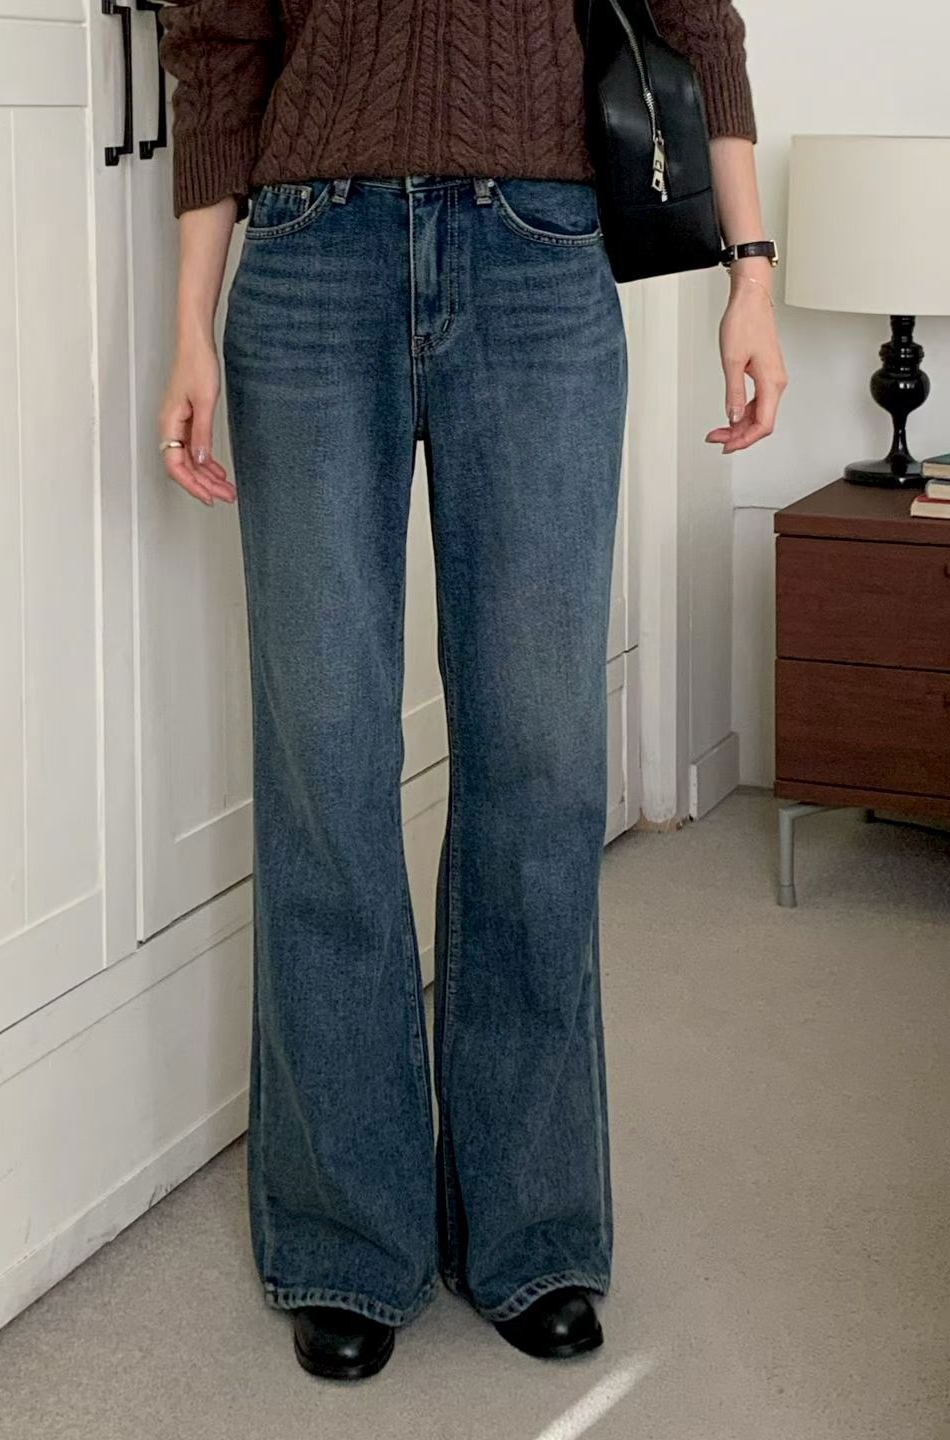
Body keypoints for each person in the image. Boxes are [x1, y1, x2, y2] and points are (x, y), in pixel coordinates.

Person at [157, 0, 785, 1383]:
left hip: (539, 255)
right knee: (324, 761)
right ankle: (347, 1237)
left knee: (541, 762)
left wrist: (751, 271)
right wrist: (190, 321)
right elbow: (218, 45)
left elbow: (699, 20)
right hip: (311, 260)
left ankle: (532, 1225)